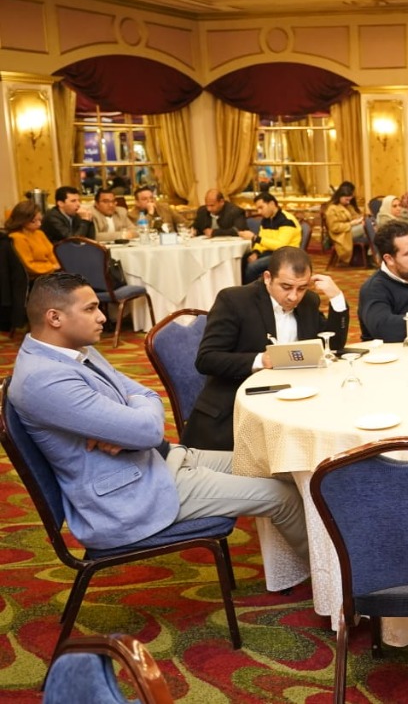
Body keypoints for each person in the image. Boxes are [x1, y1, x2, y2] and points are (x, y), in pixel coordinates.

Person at [7, 272, 308, 558]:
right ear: (54, 318)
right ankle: (326, 580)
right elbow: (149, 430)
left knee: (282, 467)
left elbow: (148, 396)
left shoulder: (74, 350)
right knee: (283, 497)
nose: (102, 317)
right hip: (130, 494)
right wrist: (132, 425)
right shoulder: (43, 379)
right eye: (90, 309)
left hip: (156, 460)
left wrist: (127, 425)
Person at [185, 247, 349, 450]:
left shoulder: (308, 301)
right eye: (286, 287)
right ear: (267, 278)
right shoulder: (234, 301)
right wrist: (260, 360)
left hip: (294, 401)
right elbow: (206, 359)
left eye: (302, 288)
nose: (294, 297)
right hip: (237, 407)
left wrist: (337, 298)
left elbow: (332, 346)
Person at [242, 193, 302, 282]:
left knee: (252, 267)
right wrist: (256, 252)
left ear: (272, 204)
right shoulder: (266, 220)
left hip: (285, 255)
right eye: (257, 209)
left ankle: (252, 290)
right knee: (242, 260)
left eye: (261, 207)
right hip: (269, 252)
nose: (259, 212)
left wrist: (256, 238)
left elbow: (281, 245)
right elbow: (261, 242)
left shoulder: (287, 220)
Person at [4, 200, 60, 276]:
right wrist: (52, 267)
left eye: (40, 220)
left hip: (50, 272)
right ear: (22, 220)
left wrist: (58, 264)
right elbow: (28, 266)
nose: (39, 224)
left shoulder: (39, 233)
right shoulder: (17, 237)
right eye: (33, 221)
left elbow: (52, 253)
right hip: (34, 277)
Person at [324, 182, 366, 265]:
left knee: (368, 226)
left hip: (348, 230)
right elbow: (334, 228)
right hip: (340, 234)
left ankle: (370, 254)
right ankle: (372, 254)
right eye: (346, 199)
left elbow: (355, 216)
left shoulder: (347, 206)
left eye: (349, 200)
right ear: (340, 197)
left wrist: (360, 220)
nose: (348, 202)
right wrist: (351, 224)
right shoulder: (332, 209)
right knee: (365, 228)